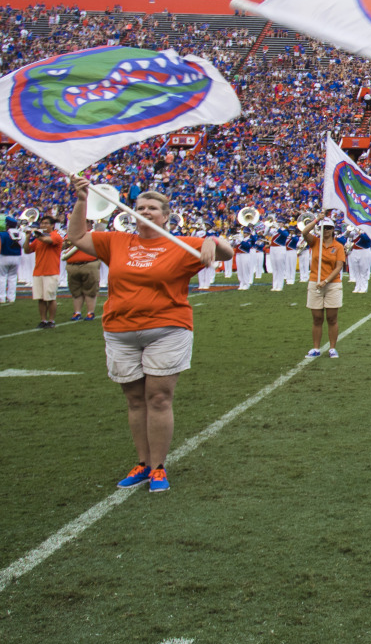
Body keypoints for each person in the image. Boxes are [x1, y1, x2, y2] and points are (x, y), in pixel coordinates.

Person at [66, 177, 233, 493]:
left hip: (167, 329)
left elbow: (224, 252)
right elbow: (75, 236)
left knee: (158, 397)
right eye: (140, 207)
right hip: (120, 330)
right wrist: (81, 199)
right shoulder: (116, 241)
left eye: (152, 208)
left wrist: (212, 239)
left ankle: (158, 467)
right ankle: (142, 463)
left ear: (166, 216)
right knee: (133, 399)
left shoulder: (181, 244)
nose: (145, 211)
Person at [301, 216, 346, 358]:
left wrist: (326, 281)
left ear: (333, 230)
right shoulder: (315, 242)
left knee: (332, 317)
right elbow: (304, 232)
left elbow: (339, 267)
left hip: (332, 284)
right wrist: (316, 220)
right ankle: (316, 348)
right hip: (315, 282)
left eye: (328, 228)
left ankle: (332, 348)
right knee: (317, 317)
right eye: (322, 228)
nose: (325, 230)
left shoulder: (338, 246)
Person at [25, 215, 63, 328]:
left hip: (51, 272)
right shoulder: (38, 239)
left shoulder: (55, 236)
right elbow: (27, 250)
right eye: (42, 223)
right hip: (38, 271)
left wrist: (35, 232)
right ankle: (43, 320)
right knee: (40, 298)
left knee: (50, 298)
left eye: (46, 223)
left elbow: (47, 240)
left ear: (52, 225)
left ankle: (51, 320)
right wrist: (27, 237)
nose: (43, 225)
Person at [64, 233, 101, 321]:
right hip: (73, 264)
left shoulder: (93, 234)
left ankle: (90, 312)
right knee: (75, 291)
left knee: (90, 290)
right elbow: (64, 247)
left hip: (89, 263)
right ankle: (77, 312)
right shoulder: (69, 235)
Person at [0, 215, 22, 303]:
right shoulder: (21, 233)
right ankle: (11, 297)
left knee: (2, 277)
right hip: (17, 257)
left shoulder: (3, 234)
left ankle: (2, 297)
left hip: (4, 256)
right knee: (13, 277)